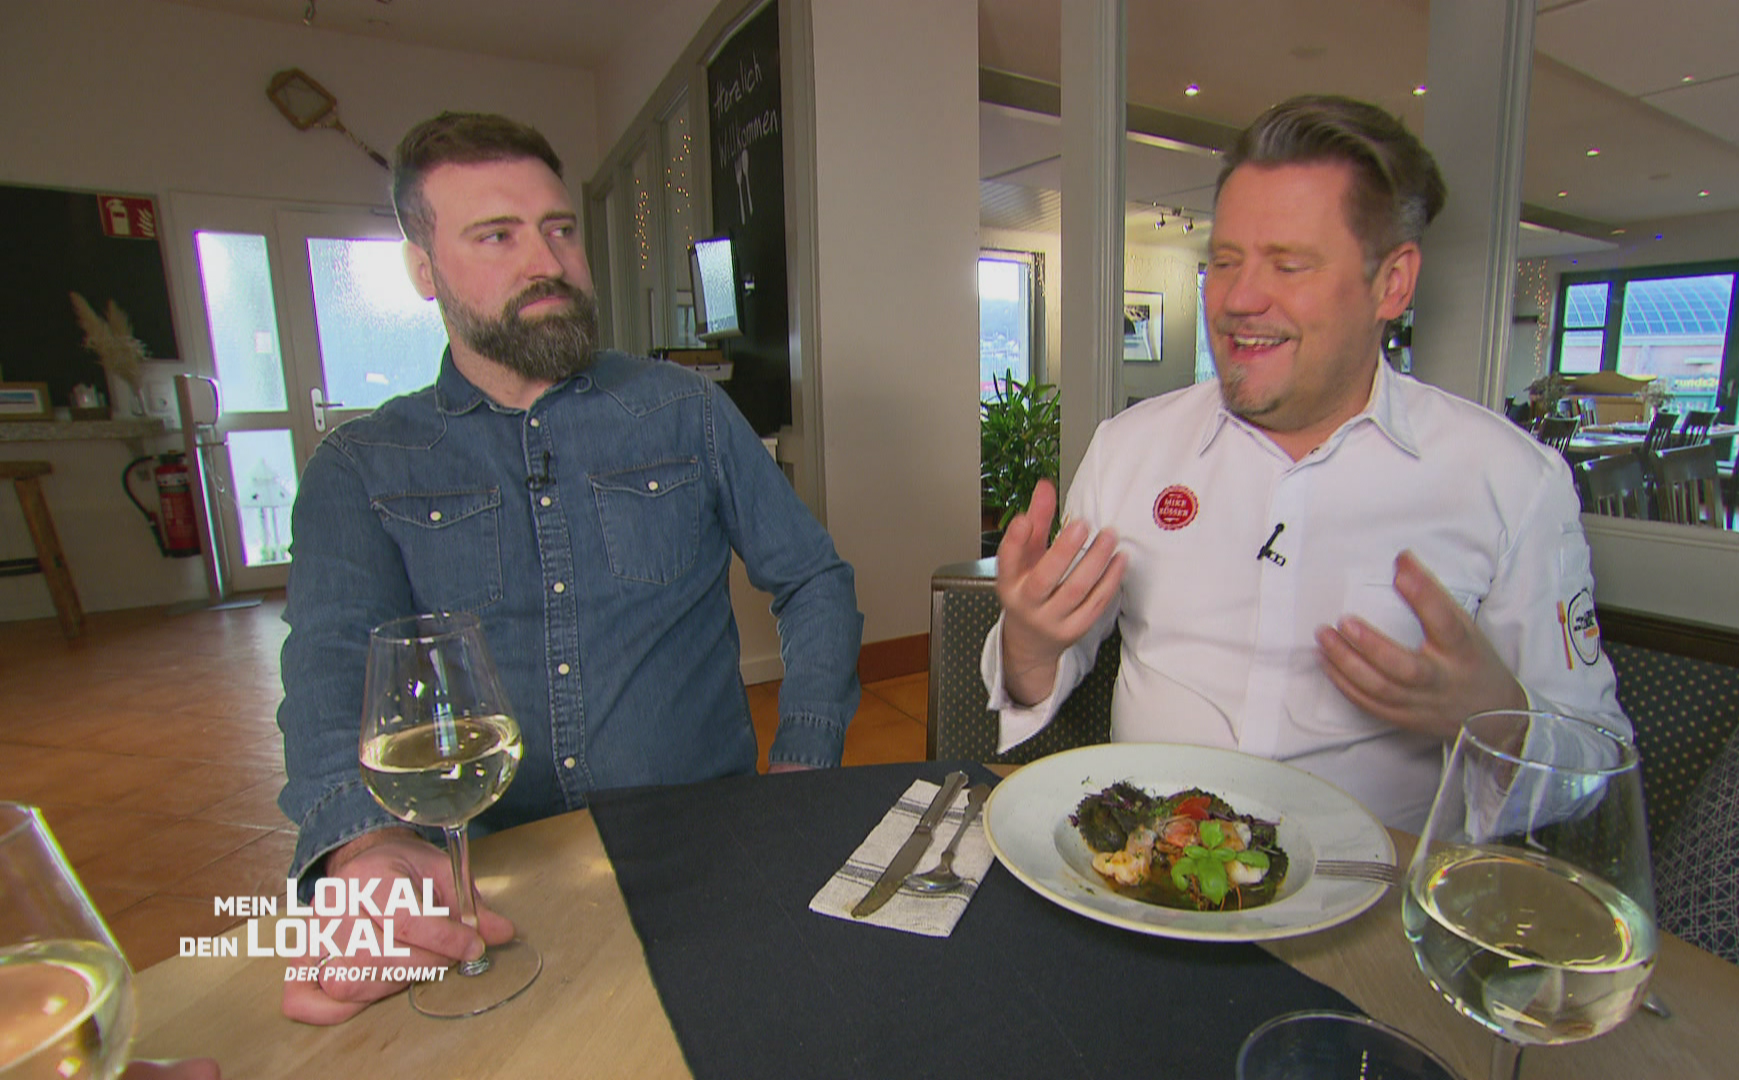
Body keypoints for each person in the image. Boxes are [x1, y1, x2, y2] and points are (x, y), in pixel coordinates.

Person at [276, 112, 862, 1023]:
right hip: (483, 880)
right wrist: (362, 847)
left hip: (707, 852)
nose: (546, 262)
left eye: (558, 228)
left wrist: (802, 761)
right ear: (424, 270)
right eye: (496, 236)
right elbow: (329, 667)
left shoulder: (687, 412)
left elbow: (813, 579)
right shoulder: (360, 467)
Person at [984, 95, 1629, 831]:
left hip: (1379, 895)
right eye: (1224, 261)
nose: (1239, 298)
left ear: (1392, 283)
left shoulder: (1512, 482)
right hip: (1141, 873)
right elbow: (1034, 677)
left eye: (1288, 265)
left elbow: (1595, 766)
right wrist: (1029, 643)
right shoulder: (1127, 449)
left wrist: (1497, 718)